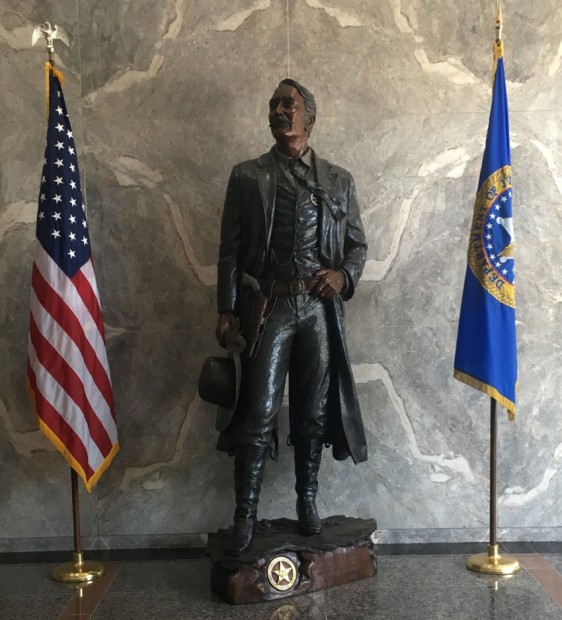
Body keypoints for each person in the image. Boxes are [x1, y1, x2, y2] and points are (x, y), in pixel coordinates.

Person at [215, 78, 368, 556]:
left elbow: (357, 247)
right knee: (258, 410)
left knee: (313, 411)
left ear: (309, 117)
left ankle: (307, 501)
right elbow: (230, 251)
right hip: (270, 306)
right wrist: (226, 308)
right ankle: (245, 514)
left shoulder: (339, 180)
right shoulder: (246, 176)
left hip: (318, 309)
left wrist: (343, 276)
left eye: (290, 104)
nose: (281, 111)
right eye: (275, 104)